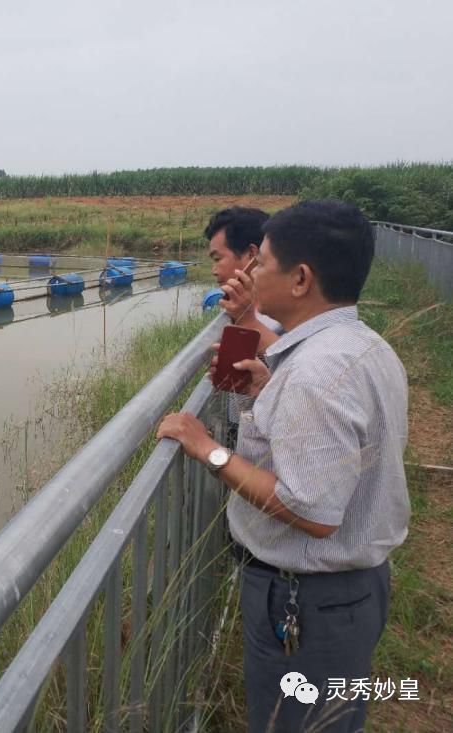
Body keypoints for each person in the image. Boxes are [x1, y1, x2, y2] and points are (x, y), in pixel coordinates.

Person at [157, 200, 410, 732]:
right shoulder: (361, 345)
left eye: (262, 263)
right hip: (347, 594)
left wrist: (207, 448)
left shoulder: (318, 371)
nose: (250, 273)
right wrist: (272, 394)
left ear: (300, 279)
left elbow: (312, 510)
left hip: (306, 601)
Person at [205, 207, 281, 351]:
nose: (213, 271)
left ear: (252, 253)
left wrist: (248, 321)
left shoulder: (287, 309)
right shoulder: (243, 307)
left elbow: (300, 362)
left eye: (217, 258)